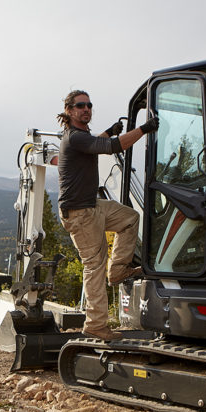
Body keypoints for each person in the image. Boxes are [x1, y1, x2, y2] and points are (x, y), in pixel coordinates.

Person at [56, 89, 159, 341]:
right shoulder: (74, 137)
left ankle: (119, 270)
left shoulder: (82, 137)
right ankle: (95, 325)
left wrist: (109, 131)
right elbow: (112, 147)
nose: (86, 109)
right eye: (80, 106)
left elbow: (97, 143)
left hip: (92, 206)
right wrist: (144, 129)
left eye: (89, 105)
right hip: (79, 213)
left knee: (129, 218)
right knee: (94, 266)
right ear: (69, 111)